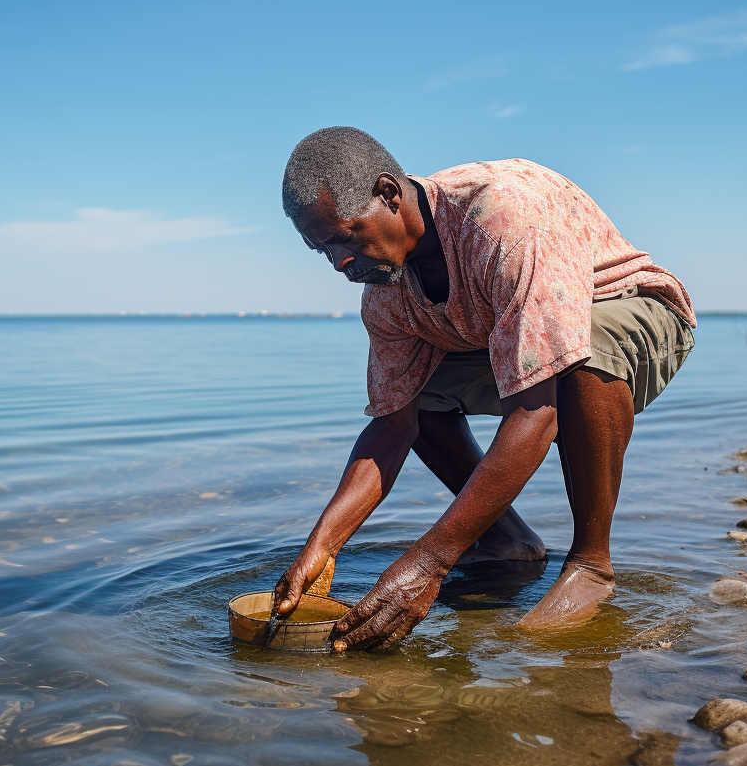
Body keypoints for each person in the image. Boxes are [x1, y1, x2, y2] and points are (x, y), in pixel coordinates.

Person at [273, 127, 695, 648]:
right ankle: (506, 540)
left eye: (347, 238)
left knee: (582, 360)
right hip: (506, 331)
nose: (340, 263)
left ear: (388, 193)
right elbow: (393, 424)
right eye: (323, 251)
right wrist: (323, 546)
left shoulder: (504, 221)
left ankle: (591, 562)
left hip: (626, 307)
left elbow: (536, 414)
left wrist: (430, 561)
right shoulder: (383, 288)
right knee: (412, 392)